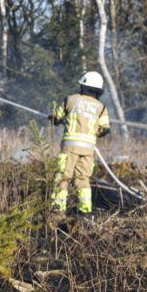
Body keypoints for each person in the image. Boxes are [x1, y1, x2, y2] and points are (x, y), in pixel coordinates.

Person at [49, 71, 110, 216]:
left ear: (83, 85)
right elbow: (105, 129)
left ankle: (58, 209)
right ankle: (85, 210)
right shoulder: (101, 107)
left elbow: (56, 118)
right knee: (83, 179)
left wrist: (56, 119)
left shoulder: (70, 100)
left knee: (63, 176)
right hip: (88, 150)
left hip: (70, 147)